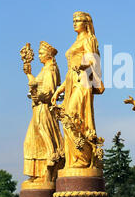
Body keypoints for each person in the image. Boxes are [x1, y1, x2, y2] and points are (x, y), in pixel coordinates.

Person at [51, 11, 104, 168]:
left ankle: (82, 158)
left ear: (86, 23)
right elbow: (70, 72)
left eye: (78, 20)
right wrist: (58, 91)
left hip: (82, 81)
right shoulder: (75, 41)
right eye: (73, 20)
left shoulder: (89, 39)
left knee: (73, 117)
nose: (74, 23)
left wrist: (84, 65)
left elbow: (94, 60)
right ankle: (72, 159)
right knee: (67, 118)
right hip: (71, 81)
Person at [23, 41, 64, 185]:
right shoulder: (43, 70)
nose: (39, 56)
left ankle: (47, 173)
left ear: (49, 55)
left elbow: (49, 91)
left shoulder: (51, 70)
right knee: (32, 141)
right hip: (37, 109)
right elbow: (35, 85)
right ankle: (37, 174)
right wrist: (28, 74)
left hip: (44, 109)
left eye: (41, 53)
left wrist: (38, 95)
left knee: (46, 140)